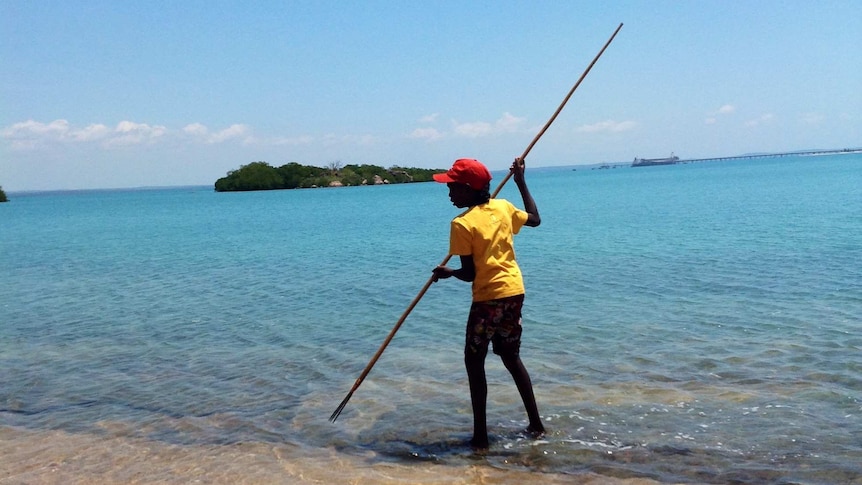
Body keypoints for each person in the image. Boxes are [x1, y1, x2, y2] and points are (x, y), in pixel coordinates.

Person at [431, 157, 545, 450]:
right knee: (510, 357)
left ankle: (480, 438)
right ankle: (536, 425)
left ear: (469, 189)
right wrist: (521, 181)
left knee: (474, 362)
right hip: (514, 293)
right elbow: (535, 218)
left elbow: (469, 274)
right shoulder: (503, 207)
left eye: (454, 187)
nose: (449, 193)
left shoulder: (462, 224)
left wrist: (448, 273)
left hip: (488, 298)